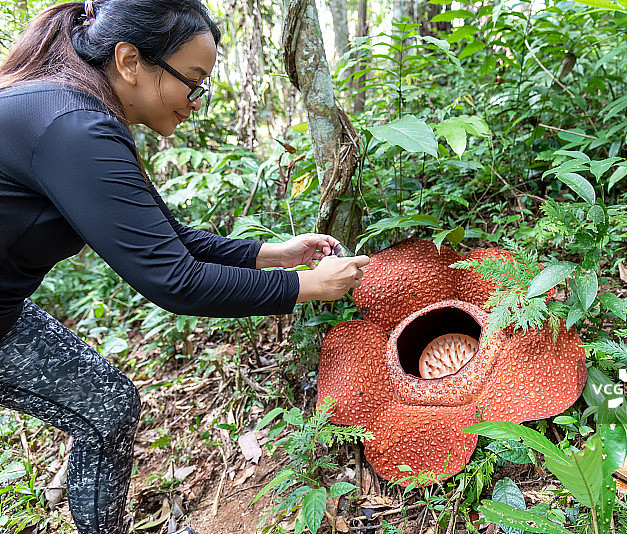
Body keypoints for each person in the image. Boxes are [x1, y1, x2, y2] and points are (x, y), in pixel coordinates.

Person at [0, 0, 369, 532]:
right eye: (192, 81)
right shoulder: (74, 128)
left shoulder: (74, 108)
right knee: (106, 406)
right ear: (130, 61)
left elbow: (162, 236)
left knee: (106, 405)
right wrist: (306, 286)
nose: (195, 101)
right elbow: (175, 280)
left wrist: (268, 253)